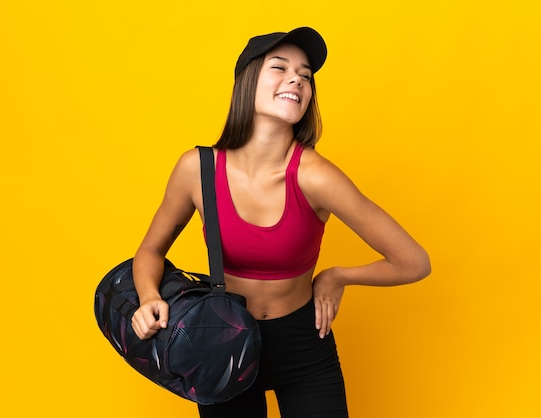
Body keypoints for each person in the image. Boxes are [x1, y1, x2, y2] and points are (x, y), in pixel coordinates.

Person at [130, 27, 431, 418]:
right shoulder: (196, 169)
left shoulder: (316, 176)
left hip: (303, 345)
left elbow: (414, 261)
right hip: (220, 346)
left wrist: (337, 276)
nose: (297, 79)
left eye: (305, 75)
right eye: (280, 67)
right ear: (247, 81)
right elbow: (150, 250)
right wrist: (149, 296)